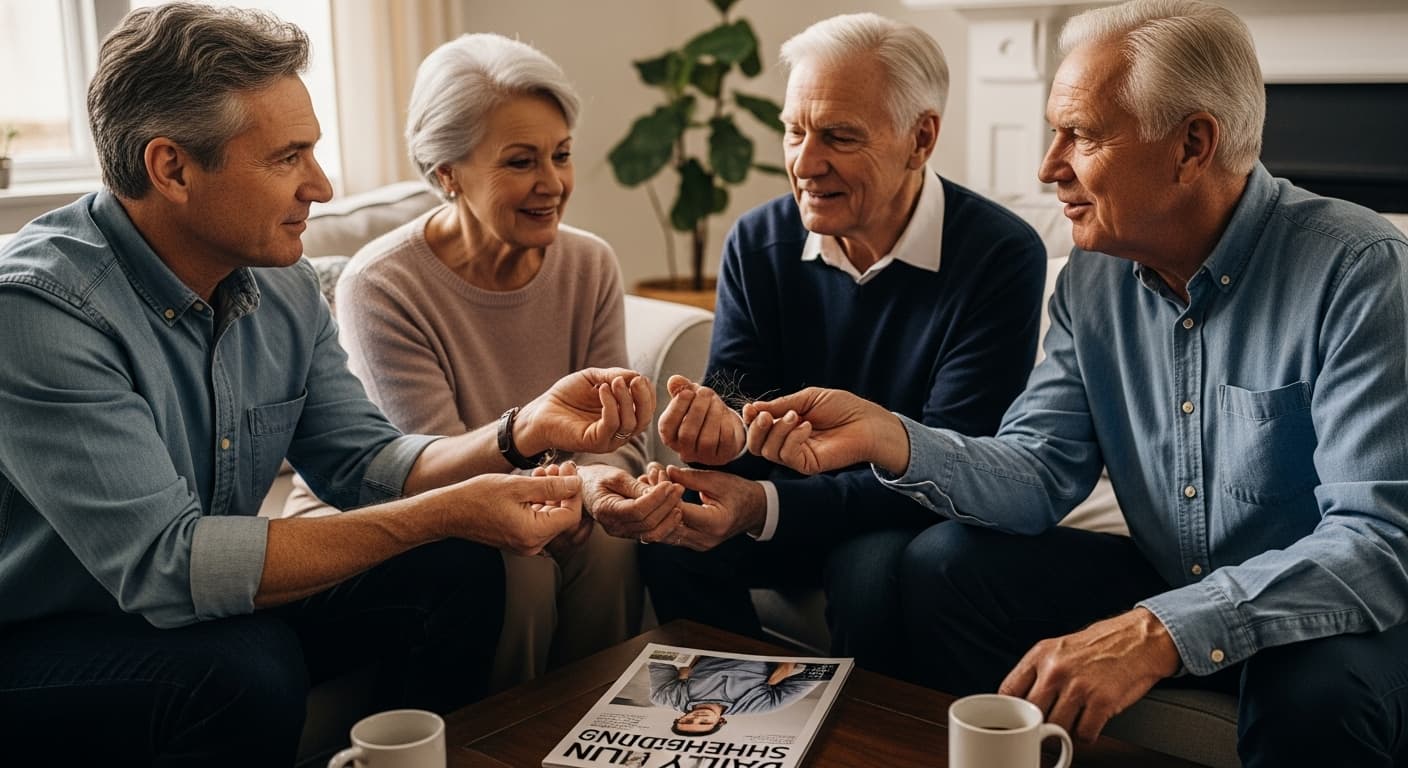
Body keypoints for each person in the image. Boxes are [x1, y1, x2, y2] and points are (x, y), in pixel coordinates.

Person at [742, 1, 1408, 765]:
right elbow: (1039, 468)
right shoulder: (1094, 277)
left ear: (1192, 144)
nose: (1048, 166)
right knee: (941, 567)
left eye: (1081, 135)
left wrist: (1160, 631)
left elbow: (1377, 540)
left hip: (1341, 610)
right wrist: (892, 438)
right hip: (1172, 574)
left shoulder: (1357, 269)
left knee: (1314, 695)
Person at [0, 5, 653, 765]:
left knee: (465, 568)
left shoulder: (281, 285)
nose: (322, 184)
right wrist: (440, 513)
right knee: (246, 670)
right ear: (171, 168)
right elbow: (168, 567)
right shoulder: (41, 311)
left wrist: (521, 432)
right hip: (47, 635)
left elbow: (367, 466)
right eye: (288, 157)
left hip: (193, 600)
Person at [629, 12, 1046, 673]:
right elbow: (737, 386)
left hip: (902, 511)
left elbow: (956, 455)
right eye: (794, 131)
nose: (804, 162)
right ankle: (735, 720)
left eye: (839, 137)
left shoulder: (999, 255)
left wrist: (762, 504)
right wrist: (718, 429)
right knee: (670, 531)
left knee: (871, 571)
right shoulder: (757, 240)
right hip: (788, 501)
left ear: (921, 138)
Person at [282, 33, 681, 690]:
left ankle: (594, 734)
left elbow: (619, 438)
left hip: (541, 492)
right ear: (446, 174)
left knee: (610, 544)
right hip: (406, 505)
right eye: (521, 162)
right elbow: (424, 470)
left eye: (561, 155)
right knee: (512, 563)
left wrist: (592, 488)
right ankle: (500, 744)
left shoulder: (589, 263)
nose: (552, 183)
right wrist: (556, 492)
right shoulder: (382, 284)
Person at [649, 656, 821, 736]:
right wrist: (788, 662)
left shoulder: (665, 697)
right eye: (704, 722)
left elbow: (657, 655)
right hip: (761, 643)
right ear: (721, 721)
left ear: (679, 718)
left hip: (709, 637)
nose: (697, 718)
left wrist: (684, 662)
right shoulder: (761, 706)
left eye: (687, 721)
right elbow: (824, 672)